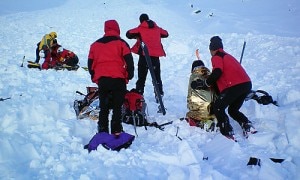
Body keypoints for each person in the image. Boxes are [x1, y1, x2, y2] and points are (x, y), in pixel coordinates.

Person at [192, 36, 255, 138]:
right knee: (232, 110)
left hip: (234, 86)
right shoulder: (228, 56)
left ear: (212, 49)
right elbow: (220, 77)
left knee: (218, 108)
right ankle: (247, 125)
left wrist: (205, 83)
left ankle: (227, 132)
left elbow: (217, 72)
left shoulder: (217, 56)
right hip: (246, 84)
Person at [88, 19, 134, 136]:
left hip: (103, 79)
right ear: (117, 28)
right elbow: (129, 60)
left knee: (104, 107)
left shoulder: (95, 45)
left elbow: (90, 63)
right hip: (118, 78)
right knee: (117, 107)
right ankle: (116, 131)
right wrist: (129, 75)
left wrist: (95, 77)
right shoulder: (122, 43)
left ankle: (102, 131)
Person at [126, 13, 168, 97]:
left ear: (141, 21)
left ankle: (139, 95)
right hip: (155, 58)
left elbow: (128, 34)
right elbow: (166, 34)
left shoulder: (140, 29)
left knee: (141, 78)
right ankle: (159, 95)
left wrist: (137, 35)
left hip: (144, 57)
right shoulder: (157, 28)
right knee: (157, 78)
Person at [187, 60, 217, 131]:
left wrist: (189, 106)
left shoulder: (193, 76)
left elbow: (190, 95)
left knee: (190, 115)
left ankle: (203, 123)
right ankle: (214, 119)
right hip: (214, 109)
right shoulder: (211, 76)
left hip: (202, 110)